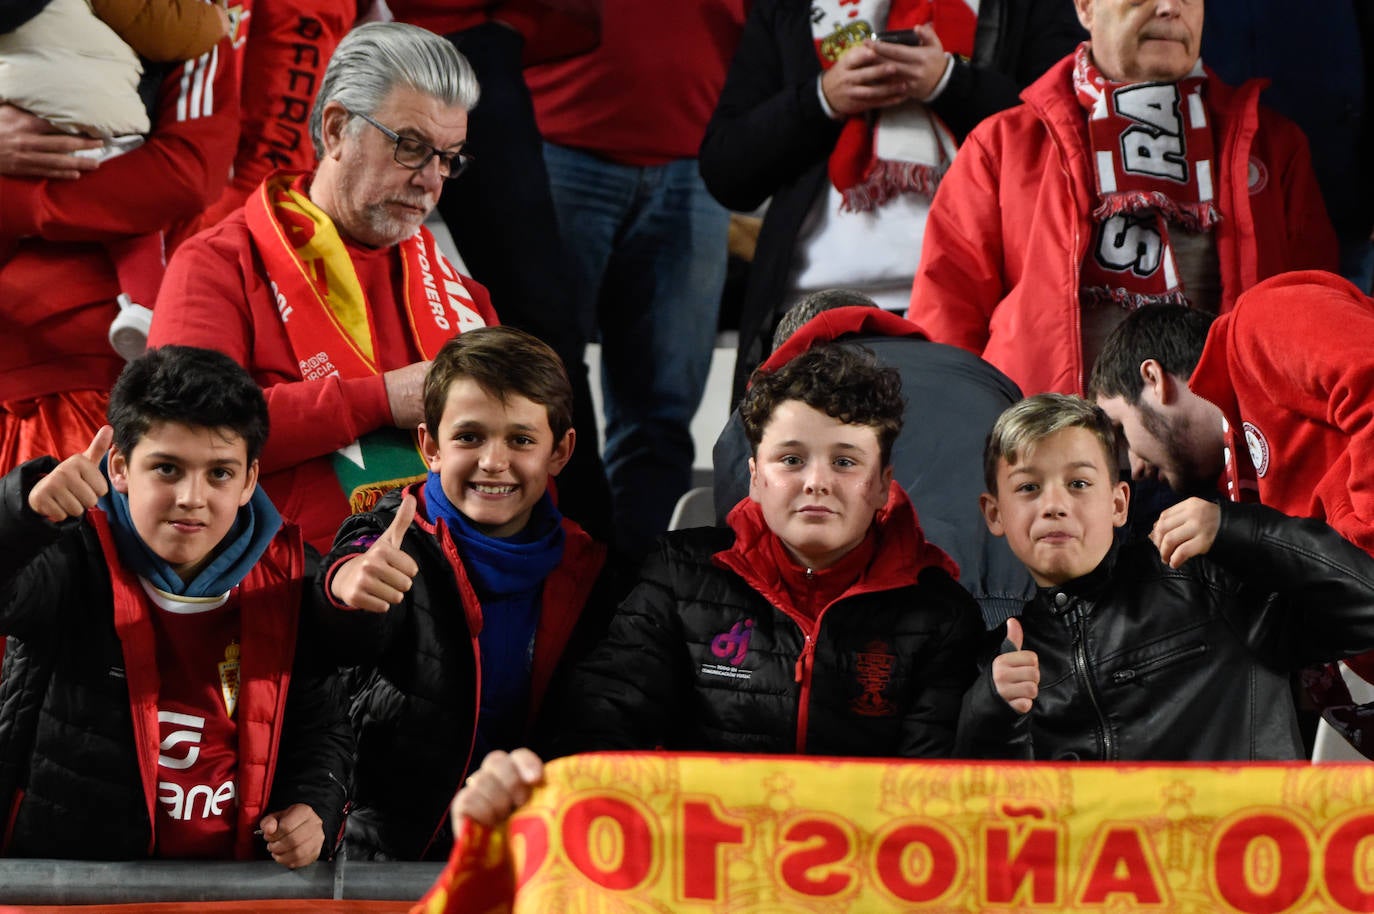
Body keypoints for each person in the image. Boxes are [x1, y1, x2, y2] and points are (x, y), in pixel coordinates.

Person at [148, 22, 500, 554]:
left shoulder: (463, 296)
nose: (431, 180)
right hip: (281, 589)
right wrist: (382, 398)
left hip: (450, 584)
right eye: (410, 146)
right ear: (336, 129)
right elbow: (184, 435)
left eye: (448, 157)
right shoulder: (217, 264)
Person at [536, 343, 985, 759]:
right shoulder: (677, 575)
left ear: (884, 485)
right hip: (704, 838)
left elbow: (929, 780)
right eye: (791, 459)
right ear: (754, 477)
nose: (816, 481)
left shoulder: (941, 613)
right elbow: (600, 726)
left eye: (845, 462)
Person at [0, 345, 352, 866]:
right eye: (167, 469)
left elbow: (321, 724)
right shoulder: (71, 553)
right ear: (119, 466)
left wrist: (315, 806)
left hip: (233, 893)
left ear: (251, 479)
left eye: (220, 473)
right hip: (78, 892)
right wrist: (20, 516)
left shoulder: (296, 572)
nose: (192, 496)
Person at [908, 0, 1338, 399]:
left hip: (1233, 462)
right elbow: (946, 331)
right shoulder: (1001, 147)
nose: (1170, 8)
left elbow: (1318, 331)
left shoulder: (1273, 146)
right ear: (1085, 6)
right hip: (1050, 461)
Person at [312, 326, 620, 861]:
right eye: (469, 437)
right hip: (381, 861)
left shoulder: (594, 570)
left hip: (531, 858)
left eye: (521, 440)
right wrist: (347, 588)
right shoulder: (389, 535)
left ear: (560, 451)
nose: (493, 461)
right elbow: (344, 601)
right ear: (430, 446)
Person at [699, 0, 1085, 401]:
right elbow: (727, 172)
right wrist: (822, 98)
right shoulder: (788, 9)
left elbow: (1071, 134)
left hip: (966, 316)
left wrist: (949, 83)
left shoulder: (1030, 8)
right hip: (808, 308)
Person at [961, 393, 1374, 761]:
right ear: (994, 514)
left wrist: (1237, 529)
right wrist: (990, 712)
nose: (1054, 505)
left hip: (1247, 845)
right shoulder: (997, 661)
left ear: (1119, 503)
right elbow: (996, 823)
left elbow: (1366, 607)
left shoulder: (1207, 580)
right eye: (1029, 487)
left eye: (1079, 483)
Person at [523, 0, 746, 555]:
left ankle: (639, 601)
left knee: (663, 412)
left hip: (697, 160)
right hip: (557, 142)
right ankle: (549, 590)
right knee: (538, 394)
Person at [386, 0, 612, 545]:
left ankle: (582, 560)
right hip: (364, 44)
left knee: (544, 327)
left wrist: (516, 27)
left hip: (479, 41)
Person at [0, 16, 237, 478]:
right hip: (27, 351)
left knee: (75, 542)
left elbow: (185, 175)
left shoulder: (185, 23)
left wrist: (26, 202)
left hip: (97, 381)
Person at [713, 290, 1033, 626]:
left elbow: (737, 543)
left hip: (871, 623)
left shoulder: (782, 400)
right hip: (1021, 616)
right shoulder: (984, 375)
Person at [1090, 272, 1374, 555]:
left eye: (1121, 432)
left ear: (1153, 379)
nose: (1136, 468)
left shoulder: (1260, 319)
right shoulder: (1236, 493)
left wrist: (1363, 555)